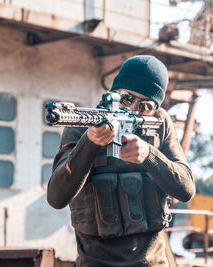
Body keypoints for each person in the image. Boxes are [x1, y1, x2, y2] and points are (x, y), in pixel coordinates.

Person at [47, 55, 196, 266]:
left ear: (154, 109)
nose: (133, 109)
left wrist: (148, 155)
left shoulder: (160, 125)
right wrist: (90, 143)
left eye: (144, 106)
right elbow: (56, 197)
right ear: (112, 94)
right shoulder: (82, 127)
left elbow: (186, 189)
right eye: (126, 99)